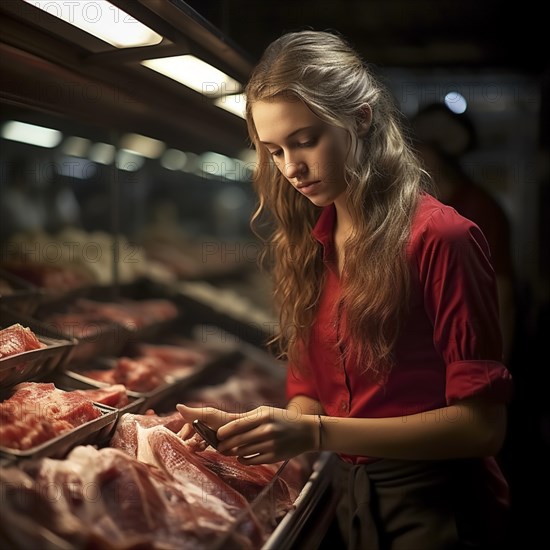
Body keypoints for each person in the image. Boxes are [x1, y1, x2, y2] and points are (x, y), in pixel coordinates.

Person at [178, 30, 513, 549]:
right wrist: (251, 430)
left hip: (441, 504)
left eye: (306, 140)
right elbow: (309, 392)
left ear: (361, 117)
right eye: (274, 151)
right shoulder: (311, 243)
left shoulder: (443, 238)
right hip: (354, 496)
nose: (291, 168)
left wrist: (315, 434)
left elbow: (481, 427)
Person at [411, 104, 517, 363]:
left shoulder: (480, 208)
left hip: (471, 354)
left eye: (419, 147)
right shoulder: (414, 208)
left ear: (437, 153)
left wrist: (497, 366)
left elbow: (501, 295)